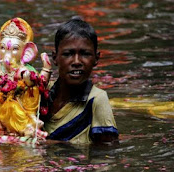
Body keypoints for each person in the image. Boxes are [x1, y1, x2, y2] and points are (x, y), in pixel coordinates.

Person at [40, 16, 119, 145]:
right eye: (68, 54)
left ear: (96, 59)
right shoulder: (42, 92)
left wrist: (50, 144)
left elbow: (107, 152)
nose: (76, 62)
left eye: (85, 54)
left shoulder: (96, 100)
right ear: (55, 58)